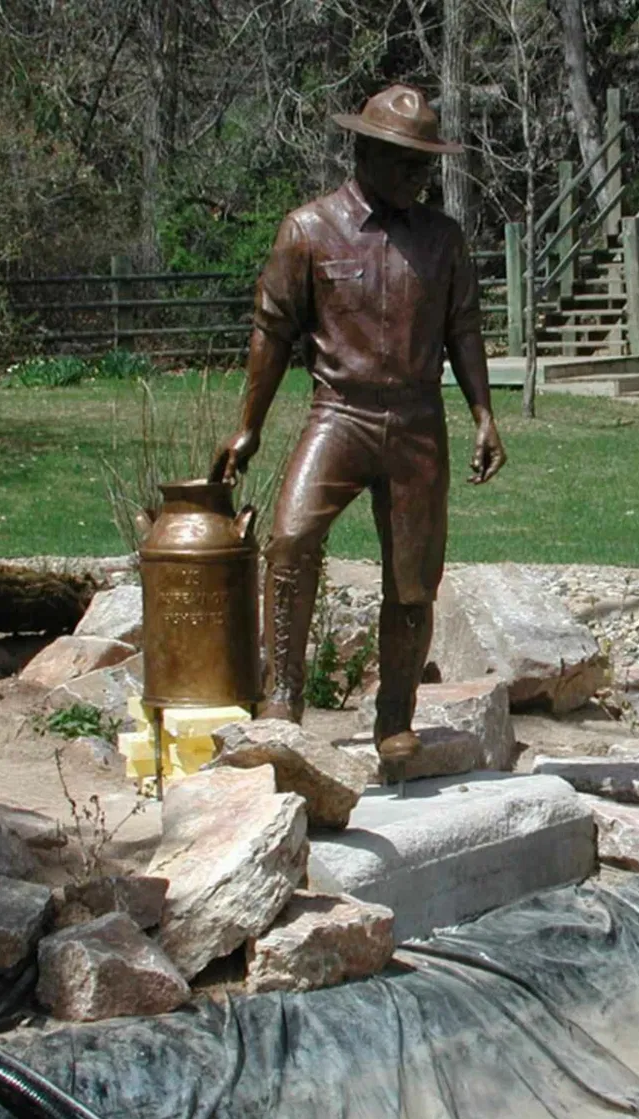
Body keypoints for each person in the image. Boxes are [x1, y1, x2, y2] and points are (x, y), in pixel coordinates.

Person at [211, 84, 506, 778]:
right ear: (366, 152)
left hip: (416, 420)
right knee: (290, 540)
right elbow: (272, 332)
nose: (417, 176)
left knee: (412, 582)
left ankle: (395, 720)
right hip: (337, 413)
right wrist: (247, 428)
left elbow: (463, 328)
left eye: (425, 164)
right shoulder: (308, 230)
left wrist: (483, 413)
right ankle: (281, 699)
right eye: (405, 162)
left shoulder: (443, 240)